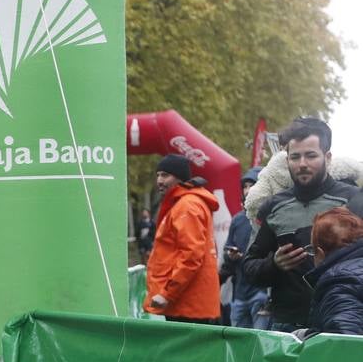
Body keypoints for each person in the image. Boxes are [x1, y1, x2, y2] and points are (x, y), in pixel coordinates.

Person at [243, 118, 363, 331]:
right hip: (285, 328)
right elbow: (248, 268)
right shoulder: (273, 206)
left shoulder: (355, 201)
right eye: (295, 157)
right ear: (286, 159)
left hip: (340, 325)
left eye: (311, 155)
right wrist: (274, 265)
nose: (302, 164)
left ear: (328, 157)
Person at [143, 154, 221, 323]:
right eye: (158, 175)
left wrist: (167, 294)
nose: (159, 181)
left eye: (165, 175)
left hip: (188, 304)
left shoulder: (186, 206)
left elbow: (191, 256)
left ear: (179, 178)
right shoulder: (186, 204)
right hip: (187, 303)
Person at [220, 172, 270, 330]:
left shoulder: (271, 217)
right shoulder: (238, 219)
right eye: (245, 186)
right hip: (239, 294)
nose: (248, 190)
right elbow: (227, 251)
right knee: (238, 347)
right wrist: (231, 256)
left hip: (262, 294)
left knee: (259, 346)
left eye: (252, 185)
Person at [306, 207, 363, 336]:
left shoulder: (339, 282)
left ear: (319, 252)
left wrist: (308, 340)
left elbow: (344, 343)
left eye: (311, 250)